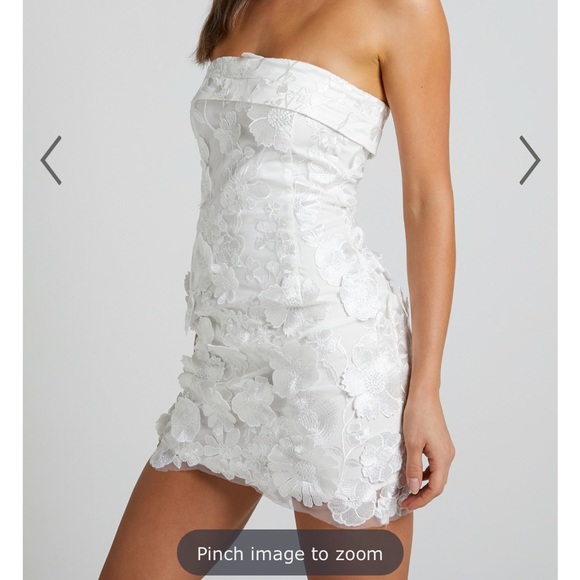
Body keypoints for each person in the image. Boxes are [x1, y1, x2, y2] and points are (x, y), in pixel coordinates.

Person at [100, 0, 456, 578]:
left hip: (332, 363)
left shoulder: (403, 9)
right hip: (225, 369)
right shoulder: (241, 4)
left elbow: (427, 199)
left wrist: (427, 391)